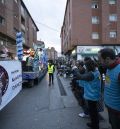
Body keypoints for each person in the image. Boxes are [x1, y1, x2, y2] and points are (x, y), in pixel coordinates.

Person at [98, 48, 120, 129]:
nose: (99, 62)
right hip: (109, 107)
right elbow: (108, 83)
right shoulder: (108, 67)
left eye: (100, 60)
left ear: (107, 59)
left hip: (117, 112)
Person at [76, 59, 101, 129]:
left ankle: (95, 125)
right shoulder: (96, 71)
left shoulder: (91, 74)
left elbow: (80, 77)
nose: (85, 67)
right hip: (94, 95)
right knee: (93, 112)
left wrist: (76, 69)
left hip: (92, 96)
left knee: (93, 112)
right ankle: (94, 123)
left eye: (86, 66)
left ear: (89, 66)